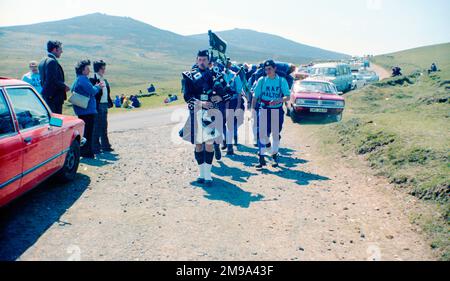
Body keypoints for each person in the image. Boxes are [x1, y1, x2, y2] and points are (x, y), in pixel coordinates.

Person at [180, 50, 229, 186]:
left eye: (204, 60)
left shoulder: (216, 75)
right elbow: (187, 97)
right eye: (199, 60)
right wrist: (200, 103)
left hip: (211, 114)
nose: (202, 62)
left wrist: (218, 97)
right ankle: (201, 174)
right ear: (196, 60)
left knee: (209, 143)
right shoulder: (189, 76)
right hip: (196, 112)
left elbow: (227, 94)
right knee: (198, 144)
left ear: (208, 61)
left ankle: (208, 176)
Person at [251, 60, 291, 169]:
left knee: (275, 134)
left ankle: (274, 156)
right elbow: (255, 96)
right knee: (262, 134)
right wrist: (253, 110)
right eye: (266, 69)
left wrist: (279, 100)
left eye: (270, 69)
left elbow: (287, 96)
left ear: (275, 69)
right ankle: (261, 157)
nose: (267, 71)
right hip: (263, 109)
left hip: (277, 110)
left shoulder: (281, 81)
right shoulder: (262, 80)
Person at [71, 60, 103, 159]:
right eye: (87, 68)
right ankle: (87, 152)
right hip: (87, 110)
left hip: (82, 110)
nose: (89, 70)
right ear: (83, 70)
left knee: (85, 131)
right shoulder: (83, 79)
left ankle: (85, 151)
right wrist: (98, 87)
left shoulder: (77, 79)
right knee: (88, 132)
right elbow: (92, 91)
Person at [39, 40, 70, 114]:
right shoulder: (52, 61)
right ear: (55, 49)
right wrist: (64, 86)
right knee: (56, 121)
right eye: (60, 49)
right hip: (54, 98)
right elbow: (52, 80)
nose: (61, 51)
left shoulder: (43, 61)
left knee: (50, 119)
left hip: (47, 97)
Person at [90, 60, 114, 154]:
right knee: (97, 126)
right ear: (99, 68)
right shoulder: (93, 79)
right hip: (97, 105)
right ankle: (95, 147)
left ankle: (105, 146)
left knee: (104, 125)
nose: (104, 70)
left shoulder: (104, 79)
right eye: (103, 68)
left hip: (104, 104)